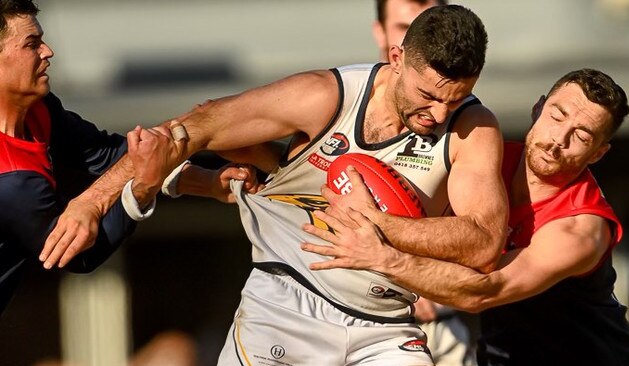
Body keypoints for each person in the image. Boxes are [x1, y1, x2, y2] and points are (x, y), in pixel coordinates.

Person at [45, 5, 507, 365]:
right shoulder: (325, 97)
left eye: (457, 98)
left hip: (387, 324)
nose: (442, 115)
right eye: (429, 96)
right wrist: (91, 201)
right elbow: (192, 128)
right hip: (286, 306)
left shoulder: (474, 127)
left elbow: (484, 241)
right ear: (396, 57)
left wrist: (378, 228)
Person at [300, 68, 629, 365]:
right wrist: (264, 164)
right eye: (557, 115)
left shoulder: (581, 228)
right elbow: (390, 176)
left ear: (598, 153)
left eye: (581, 137)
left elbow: (484, 291)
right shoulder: (486, 163)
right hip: (500, 353)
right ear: (538, 108)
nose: (557, 140)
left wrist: (383, 256)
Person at [0, 0, 142, 316]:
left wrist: (203, 179)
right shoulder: (11, 180)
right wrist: (141, 189)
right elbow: (80, 254)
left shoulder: (39, 110)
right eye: (32, 44)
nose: (47, 52)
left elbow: (109, 155)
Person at [374, 1, 477, 364]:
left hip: (437, 322)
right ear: (391, 45)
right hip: (345, 318)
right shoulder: (342, 104)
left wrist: (425, 277)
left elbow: (481, 235)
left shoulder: (466, 122)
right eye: (405, 26)